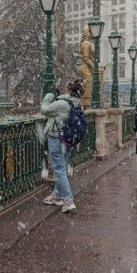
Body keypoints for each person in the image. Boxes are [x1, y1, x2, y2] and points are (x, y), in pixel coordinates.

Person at [40, 79, 84, 213]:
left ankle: (68, 200)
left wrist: (49, 96)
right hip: (68, 139)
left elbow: (45, 110)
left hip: (56, 138)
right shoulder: (77, 104)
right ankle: (57, 196)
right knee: (62, 167)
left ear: (69, 90)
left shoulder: (62, 103)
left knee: (59, 168)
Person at [78, 26, 95, 108]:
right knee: (88, 85)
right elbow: (86, 58)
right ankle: (86, 106)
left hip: (88, 67)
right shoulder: (85, 43)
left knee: (90, 86)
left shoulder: (89, 43)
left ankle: (87, 105)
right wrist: (94, 67)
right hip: (86, 68)